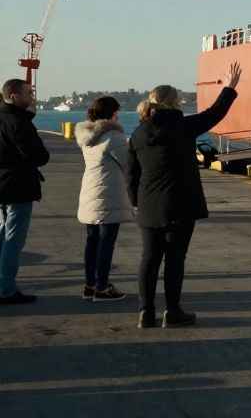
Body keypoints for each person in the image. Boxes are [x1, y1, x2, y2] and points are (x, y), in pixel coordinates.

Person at [129, 62, 241, 328]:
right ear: (174, 103)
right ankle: (172, 311)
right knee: (175, 258)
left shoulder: (138, 134)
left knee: (149, 257)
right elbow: (215, 113)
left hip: (148, 205)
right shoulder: (183, 126)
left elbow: (130, 173)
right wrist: (229, 87)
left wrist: (136, 202)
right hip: (180, 203)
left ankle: (145, 311)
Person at [74, 96, 134, 301]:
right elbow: (128, 163)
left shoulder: (87, 135)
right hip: (108, 193)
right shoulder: (113, 136)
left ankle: (90, 285)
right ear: (112, 113)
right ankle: (102, 287)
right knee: (107, 241)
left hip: (90, 190)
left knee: (92, 240)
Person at [0, 78, 48, 305]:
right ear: (14, 96)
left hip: (2, 184)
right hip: (17, 186)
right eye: (29, 92)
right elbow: (37, 155)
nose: (32, 96)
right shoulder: (17, 122)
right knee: (13, 240)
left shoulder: (7, 118)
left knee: (2, 235)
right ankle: (6, 289)